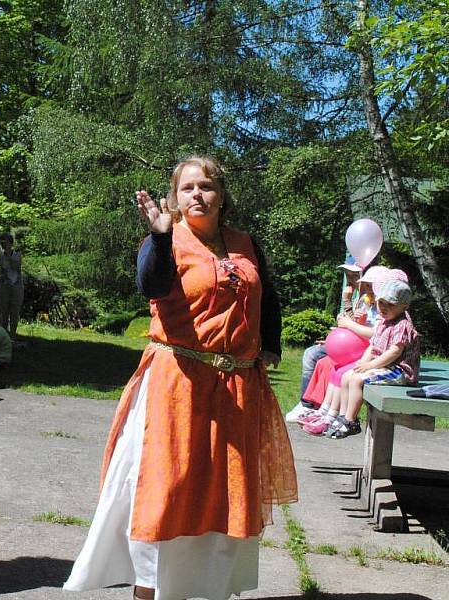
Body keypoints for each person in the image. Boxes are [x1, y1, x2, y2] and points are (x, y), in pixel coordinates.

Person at [64, 156, 298, 600]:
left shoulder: (245, 243)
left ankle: (211, 590)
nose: (197, 194)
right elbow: (151, 286)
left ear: (221, 195)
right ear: (174, 197)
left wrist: (267, 347)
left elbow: (266, 296)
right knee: (166, 491)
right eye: (187, 187)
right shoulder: (166, 241)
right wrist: (158, 235)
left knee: (226, 494)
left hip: (237, 392)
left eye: (206, 186)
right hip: (177, 387)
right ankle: (148, 590)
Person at [328, 279, 420, 439]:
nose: (384, 308)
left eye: (390, 304)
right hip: (383, 366)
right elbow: (373, 345)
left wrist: (370, 365)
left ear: (404, 307)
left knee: (356, 380)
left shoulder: (402, 325)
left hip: (398, 371)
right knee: (346, 376)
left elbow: (394, 353)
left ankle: (351, 421)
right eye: (381, 303)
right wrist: (362, 362)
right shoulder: (384, 322)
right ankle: (342, 416)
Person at [284, 256, 365, 423]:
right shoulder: (357, 296)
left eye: (354, 276)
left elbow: (355, 326)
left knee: (319, 359)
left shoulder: (367, 299)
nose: (350, 280)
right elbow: (348, 325)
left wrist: (347, 302)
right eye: (348, 276)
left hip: (357, 350)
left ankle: (311, 406)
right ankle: (307, 403)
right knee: (311, 353)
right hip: (345, 345)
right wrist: (333, 340)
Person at [0, 231, 24, 340]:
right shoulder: (0, 254)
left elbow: (15, 266)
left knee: (14, 311)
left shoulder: (17, 253)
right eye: (3, 243)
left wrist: (8, 253)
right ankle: (4, 336)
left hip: (16, 285)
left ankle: (12, 336)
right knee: (4, 311)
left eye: (6, 242)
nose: (4, 245)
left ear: (11, 243)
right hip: (4, 285)